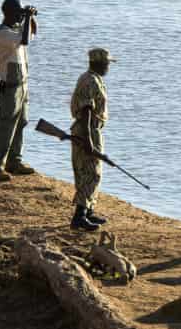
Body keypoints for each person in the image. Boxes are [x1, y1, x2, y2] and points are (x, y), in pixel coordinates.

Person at [0, 0, 37, 181]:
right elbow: (24, 41)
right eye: (17, 12)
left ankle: (14, 161)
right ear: (8, 13)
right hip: (10, 85)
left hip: (22, 83)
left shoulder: (15, 29)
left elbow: (31, 34)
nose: (20, 15)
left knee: (21, 121)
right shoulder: (3, 33)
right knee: (6, 124)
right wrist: (26, 17)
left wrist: (30, 17)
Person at [69, 47, 116, 232]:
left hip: (91, 129)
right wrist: (88, 140)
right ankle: (79, 217)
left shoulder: (92, 78)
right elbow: (87, 111)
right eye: (107, 64)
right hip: (87, 130)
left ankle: (88, 211)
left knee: (91, 170)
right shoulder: (90, 81)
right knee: (90, 173)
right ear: (99, 63)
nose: (108, 67)